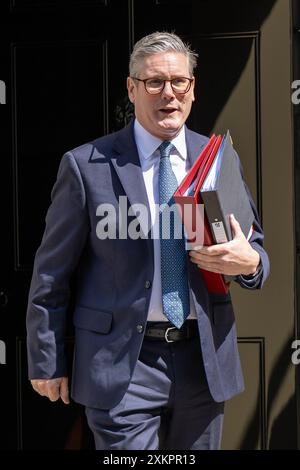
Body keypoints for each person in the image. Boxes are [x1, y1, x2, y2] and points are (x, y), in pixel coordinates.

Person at [26, 31, 269, 450]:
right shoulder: (87, 166)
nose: (168, 94)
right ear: (132, 88)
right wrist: (46, 359)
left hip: (203, 364)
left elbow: (256, 253)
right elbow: (51, 274)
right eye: (154, 82)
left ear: (193, 89)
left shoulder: (218, 157)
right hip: (122, 364)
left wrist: (249, 264)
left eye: (179, 82)